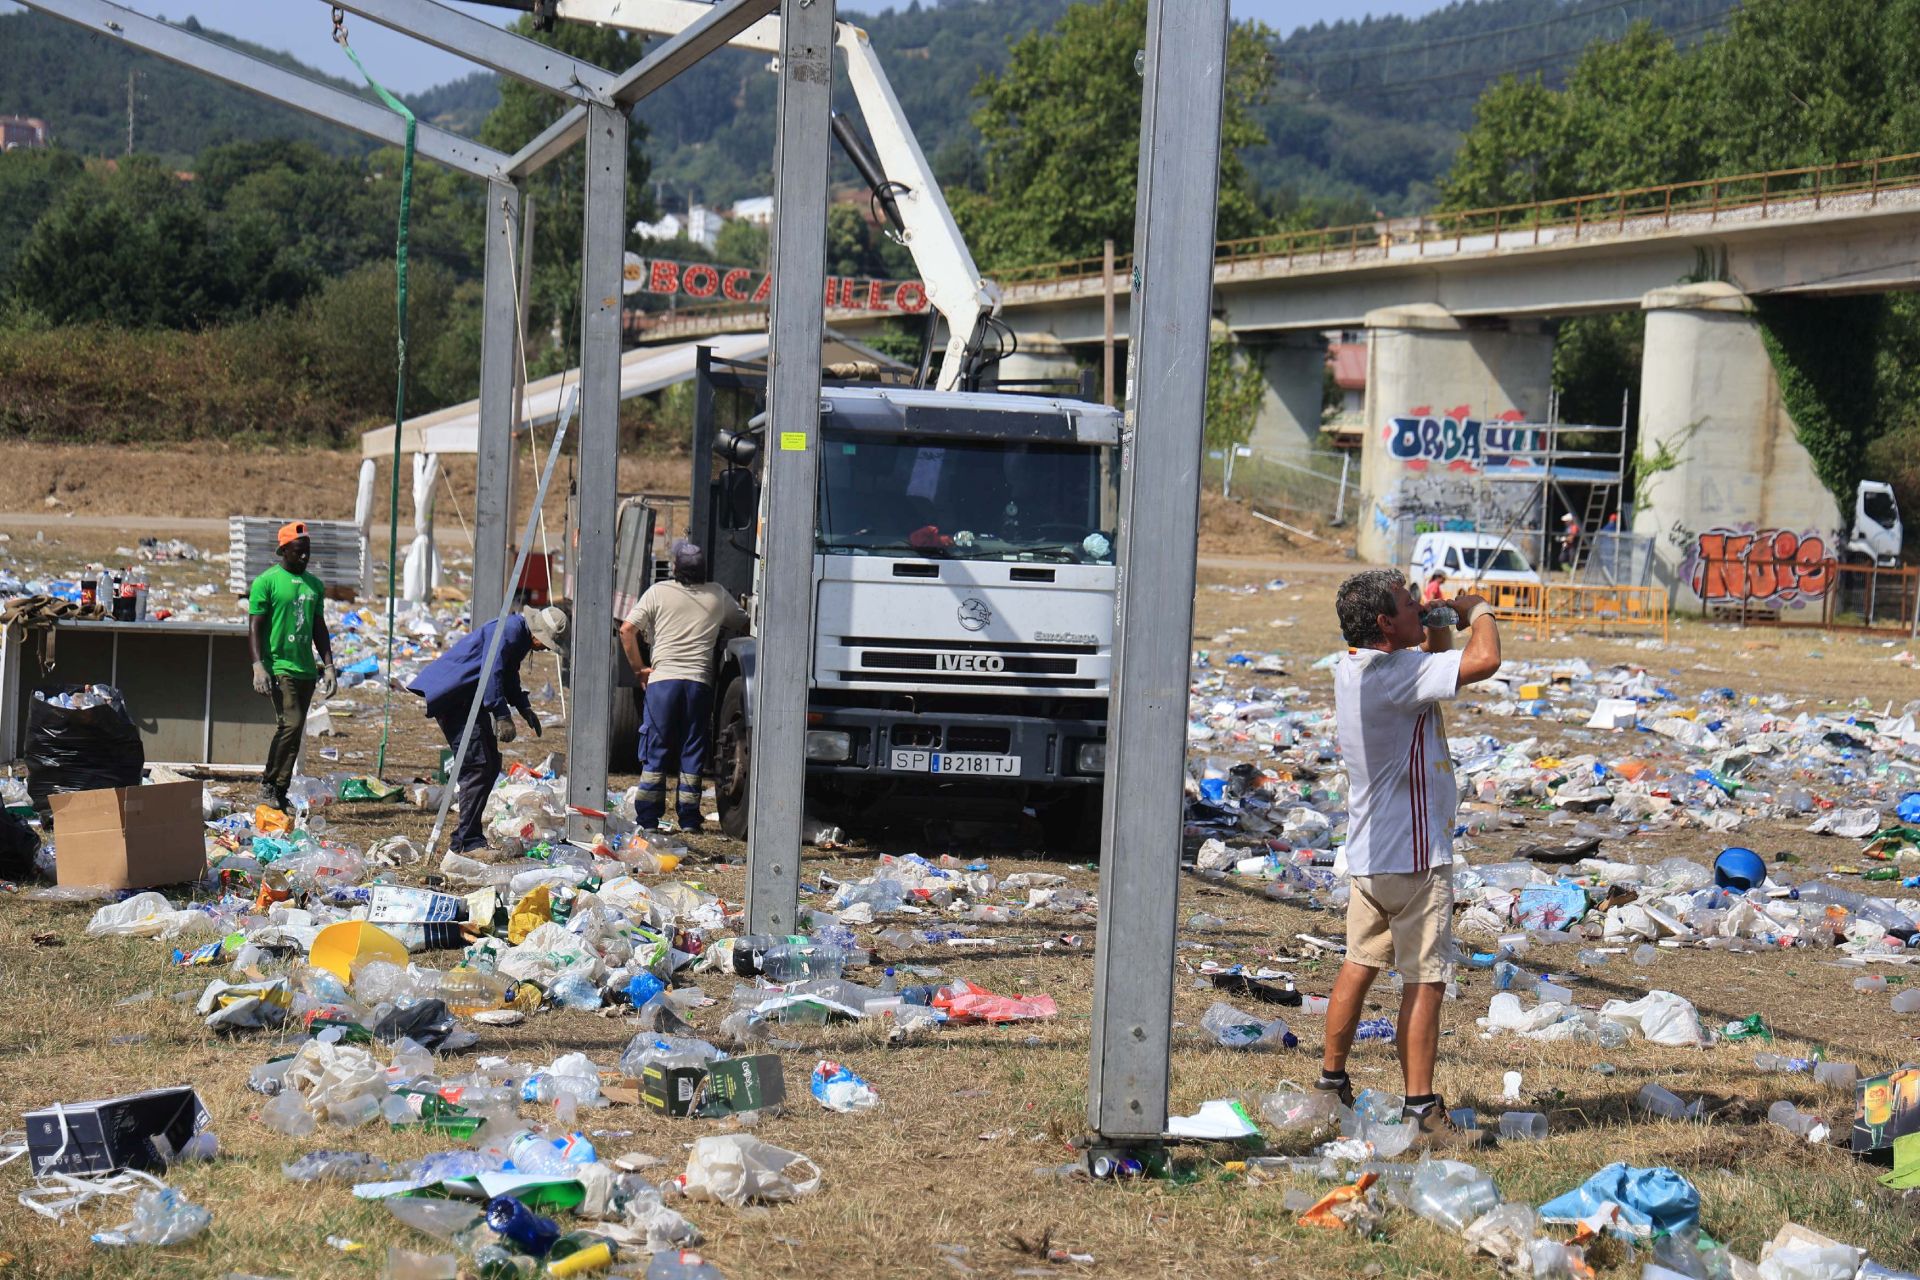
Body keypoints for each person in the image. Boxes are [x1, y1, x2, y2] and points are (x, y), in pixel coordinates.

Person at [1316, 568, 1502, 1148]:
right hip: (1415, 859)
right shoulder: (1396, 674)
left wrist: (1434, 622)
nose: (1417, 605)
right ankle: (1422, 1111)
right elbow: (1483, 663)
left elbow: (1434, 667)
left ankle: (1330, 1084)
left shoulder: (1355, 667)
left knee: (1359, 962)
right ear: (1383, 624)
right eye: (1407, 603)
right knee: (1425, 980)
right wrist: (1477, 610)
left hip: (1371, 854)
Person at [409, 606, 568, 855]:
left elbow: (508, 674)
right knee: (478, 766)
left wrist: (523, 707)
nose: (545, 648)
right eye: (546, 643)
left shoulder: (519, 634)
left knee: (490, 764)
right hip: (456, 698)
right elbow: (492, 672)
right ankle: (467, 843)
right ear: (538, 632)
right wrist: (501, 714)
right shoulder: (510, 631)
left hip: (468, 698)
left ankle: (467, 838)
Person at [619, 540, 749, 832]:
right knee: (692, 749)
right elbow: (744, 623)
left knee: (657, 748)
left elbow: (627, 630)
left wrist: (639, 669)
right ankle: (689, 820)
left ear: (675, 568)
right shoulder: (717, 595)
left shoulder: (658, 593)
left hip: (663, 683)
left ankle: (649, 820)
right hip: (699, 684)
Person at [249, 521, 335, 812]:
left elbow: (318, 628)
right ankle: (268, 783)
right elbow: (255, 627)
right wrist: (258, 665)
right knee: (292, 723)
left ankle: (279, 791)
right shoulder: (267, 582)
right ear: (283, 550)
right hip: (279, 666)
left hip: (305, 669)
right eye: (298, 551)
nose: (304, 557)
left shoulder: (315, 586)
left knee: (294, 731)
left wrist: (329, 665)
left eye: (307, 551)